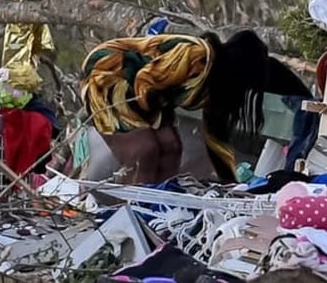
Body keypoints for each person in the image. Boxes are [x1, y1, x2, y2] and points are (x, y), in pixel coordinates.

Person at [81, 29, 310, 184]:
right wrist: (148, 126)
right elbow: (146, 80)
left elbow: (214, 140)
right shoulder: (197, 55)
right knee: (145, 150)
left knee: (172, 147)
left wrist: (230, 182)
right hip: (110, 76)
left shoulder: (214, 87)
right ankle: (136, 206)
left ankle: (162, 200)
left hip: (149, 96)